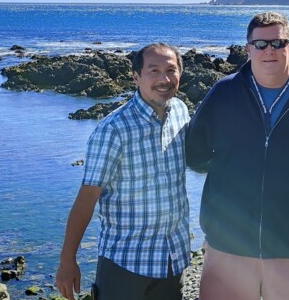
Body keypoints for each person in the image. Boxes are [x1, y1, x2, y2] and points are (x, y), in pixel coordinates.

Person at [185, 11, 289, 300]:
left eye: (278, 43)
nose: (270, 51)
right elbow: (195, 154)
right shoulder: (224, 93)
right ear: (248, 49)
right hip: (229, 246)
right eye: (261, 44)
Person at [56, 43, 190, 300]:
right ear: (136, 77)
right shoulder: (113, 130)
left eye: (171, 70)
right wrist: (67, 261)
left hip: (172, 259)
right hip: (126, 263)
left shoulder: (181, 112)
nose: (164, 79)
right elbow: (87, 199)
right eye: (154, 71)